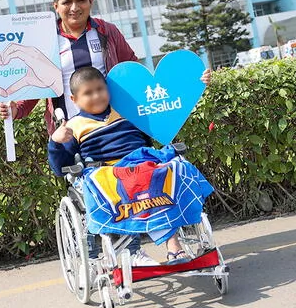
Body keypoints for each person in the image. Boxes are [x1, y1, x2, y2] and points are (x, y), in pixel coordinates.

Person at [0, 0, 211, 132]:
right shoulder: (46, 41)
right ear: (56, 6)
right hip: (70, 134)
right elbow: (36, 86)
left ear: (91, 0)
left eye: (80, 0)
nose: (74, 8)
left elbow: (134, 74)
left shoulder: (108, 32)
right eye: (67, 2)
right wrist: (15, 110)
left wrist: (190, 80)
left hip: (116, 127)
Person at [50, 66, 192, 265]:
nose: (96, 95)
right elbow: (59, 168)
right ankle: (132, 253)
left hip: (141, 163)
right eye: (88, 93)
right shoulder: (74, 126)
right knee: (132, 185)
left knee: (170, 172)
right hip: (106, 172)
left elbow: (150, 136)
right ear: (74, 100)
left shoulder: (127, 112)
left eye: (100, 89)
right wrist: (55, 142)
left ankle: (174, 245)